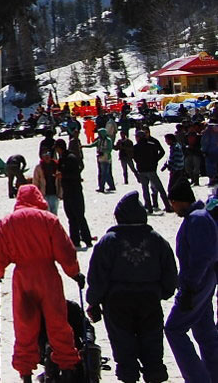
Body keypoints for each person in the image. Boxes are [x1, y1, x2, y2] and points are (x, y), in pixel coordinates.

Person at [0, 184, 85, 382]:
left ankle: (25, 374)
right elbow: (65, 251)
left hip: (23, 277)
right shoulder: (49, 220)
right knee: (58, 323)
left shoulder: (7, 223)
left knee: (25, 327)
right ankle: (66, 369)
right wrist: (74, 273)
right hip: (48, 276)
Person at [87, 191, 177, 383]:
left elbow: (97, 275)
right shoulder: (157, 240)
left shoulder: (109, 241)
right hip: (150, 300)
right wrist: (162, 292)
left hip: (117, 303)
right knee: (152, 348)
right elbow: (170, 272)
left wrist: (93, 302)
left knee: (124, 348)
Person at [165, 175, 218, 381]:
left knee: (174, 329)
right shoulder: (201, 216)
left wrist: (188, 289)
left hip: (197, 285)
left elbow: (202, 258)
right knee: (205, 333)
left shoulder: (196, 219)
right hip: (206, 283)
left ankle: (197, 378)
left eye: (172, 203)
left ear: (180, 201)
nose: (172, 207)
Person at [61, 139, 95, 250]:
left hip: (75, 191)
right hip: (67, 192)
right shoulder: (62, 159)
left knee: (80, 216)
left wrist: (63, 175)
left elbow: (75, 174)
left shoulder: (71, 158)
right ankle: (75, 241)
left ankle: (87, 239)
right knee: (71, 217)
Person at [133, 129, 170, 214]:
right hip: (151, 169)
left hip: (142, 170)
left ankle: (149, 208)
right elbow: (160, 153)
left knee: (145, 190)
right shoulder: (152, 145)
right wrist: (155, 160)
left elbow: (135, 158)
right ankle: (167, 205)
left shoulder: (135, 147)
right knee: (160, 188)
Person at [33, 146, 62, 216]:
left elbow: (60, 181)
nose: (46, 156)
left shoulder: (56, 165)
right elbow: (35, 182)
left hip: (55, 194)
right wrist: (37, 196)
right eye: (44, 154)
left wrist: (61, 193)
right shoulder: (39, 167)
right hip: (44, 195)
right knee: (46, 214)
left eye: (48, 153)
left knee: (54, 214)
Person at [96, 124, 117, 194]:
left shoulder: (108, 140)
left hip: (106, 159)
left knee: (104, 174)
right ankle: (111, 186)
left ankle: (102, 187)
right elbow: (93, 144)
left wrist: (102, 151)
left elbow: (109, 149)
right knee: (106, 173)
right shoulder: (99, 140)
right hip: (100, 159)